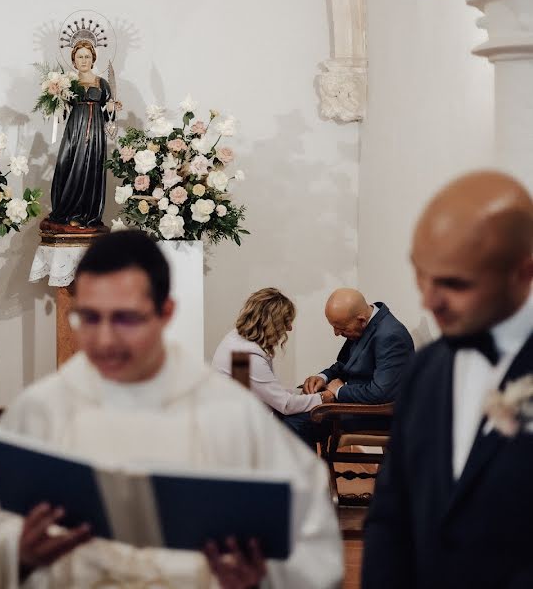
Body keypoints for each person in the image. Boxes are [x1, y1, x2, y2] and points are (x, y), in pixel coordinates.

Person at [0, 231, 342, 588]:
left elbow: (313, 540)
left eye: (125, 318)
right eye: (89, 317)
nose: (105, 339)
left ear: (166, 312)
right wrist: (18, 552)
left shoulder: (230, 414)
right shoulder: (43, 409)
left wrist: (260, 578)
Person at [363, 171, 533, 588]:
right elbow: (391, 516)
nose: (428, 300)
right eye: (421, 274)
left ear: (523, 273)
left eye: (454, 284)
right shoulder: (426, 370)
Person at [286, 288, 414, 444]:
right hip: (353, 405)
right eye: (333, 326)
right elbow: (343, 365)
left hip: (373, 415)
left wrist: (339, 391)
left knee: (293, 423)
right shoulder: (363, 325)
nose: (336, 333)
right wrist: (323, 377)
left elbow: (381, 393)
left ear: (361, 320)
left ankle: (310, 469)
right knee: (288, 414)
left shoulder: (390, 336)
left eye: (341, 328)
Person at [212, 287, 322, 415]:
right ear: (271, 323)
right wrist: (324, 397)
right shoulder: (246, 356)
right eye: (286, 322)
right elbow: (286, 405)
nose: (290, 328)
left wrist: (302, 392)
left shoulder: (236, 338)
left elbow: (267, 392)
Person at [46, 39, 119, 228]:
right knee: (66, 164)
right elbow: (61, 113)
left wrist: (110, 108)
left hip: (95, 132)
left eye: (87, 56)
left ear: (93, 58)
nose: (84, 60)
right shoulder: (68, 83)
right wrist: (56, 97)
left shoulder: (102, 83)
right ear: (74, 60)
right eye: (80, 57)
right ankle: (67, 210)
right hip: (74, 130)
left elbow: (108, 115)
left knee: (91, 168)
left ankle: (86, 213)